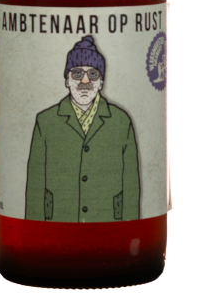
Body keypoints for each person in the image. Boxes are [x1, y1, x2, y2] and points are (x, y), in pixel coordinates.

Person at [25, 36, 140, 222]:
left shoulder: (121, 120)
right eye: (77, 73)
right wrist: (32, 229)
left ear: (101, 82)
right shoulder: (45, 121)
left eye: (93, 74)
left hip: (110, 224)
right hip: (57, 224)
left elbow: (131, 185)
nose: (85, 81)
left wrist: (132, 228)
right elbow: (35, 185)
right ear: (67, 80)